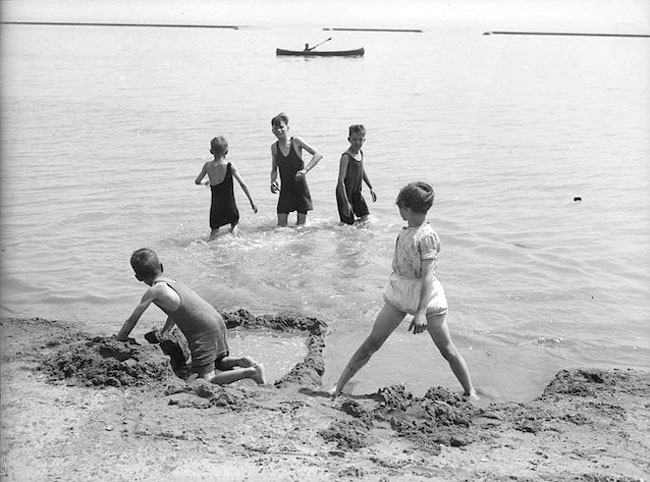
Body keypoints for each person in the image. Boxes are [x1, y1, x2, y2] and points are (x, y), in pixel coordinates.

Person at [330, 182, 477, 399]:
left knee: (447, 349)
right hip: (400, 291)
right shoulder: (409, 230)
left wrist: (420, 312)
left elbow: (427, 276)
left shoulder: (426, 236)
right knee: (372, 342)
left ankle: (470, 390)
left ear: (407, 209)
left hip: (426, 296)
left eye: (400, 207)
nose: (399, 211)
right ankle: (340, 385)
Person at [116, 248, 266, 385]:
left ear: (137, 277)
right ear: (161, 266)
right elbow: (176, 310)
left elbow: (132, 320)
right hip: (217, 322)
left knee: (208, 379)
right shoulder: (173, 282)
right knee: (219, 362)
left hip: (203, 332)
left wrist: (119, 339)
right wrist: (165, 331)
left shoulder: (154, 291)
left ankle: (251, 372)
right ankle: (245, 361)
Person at [195, 136, 258, 238]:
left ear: (211, 151)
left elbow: (197, 181)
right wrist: (252, 202)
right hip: (230, 206)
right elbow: (243, 184)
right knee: (234, 228)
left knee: (214, 232)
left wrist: (205, 182)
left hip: (216, 208)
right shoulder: (229, 165)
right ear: (227, 151)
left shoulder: (207, 166)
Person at [270, 113, 323, 226]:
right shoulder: (274, 147)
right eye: (276, 127)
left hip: (300, 188)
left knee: (301, 227)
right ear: (272, 130)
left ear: (287, 128)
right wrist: (273, 181)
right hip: (285, 190)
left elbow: (318, 154)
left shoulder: (296, 142)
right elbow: (274, 169)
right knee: (281, 227)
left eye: (281, 127)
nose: (279, 130)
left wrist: (305, 170)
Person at [336, 124, 377, 225]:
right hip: (344, 193)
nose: (357, 142)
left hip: (356, 193)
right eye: (354, 139)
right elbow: (340, 182)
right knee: (348, 225)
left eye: (360, 139)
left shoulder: (360, 153)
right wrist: (346, 203)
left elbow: (361, 171)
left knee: (365, 218)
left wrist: (370, 187)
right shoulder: (346, 157)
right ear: (349, 139)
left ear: (364, 140)